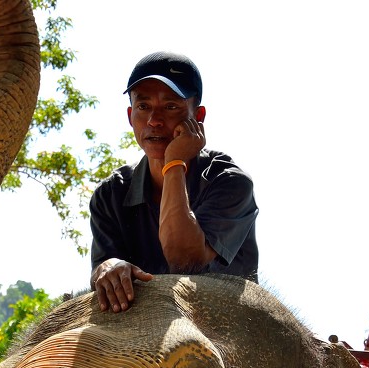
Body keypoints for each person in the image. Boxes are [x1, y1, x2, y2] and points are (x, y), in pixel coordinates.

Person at [89, 52, 259, 313]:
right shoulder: (110, 194)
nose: (154, 120)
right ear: (129, 115)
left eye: (170, 107)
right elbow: (102, 272)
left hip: (223, 322)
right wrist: (108, 267)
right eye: (143, 107)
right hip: (143, 326)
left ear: (198, 116)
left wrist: (174, 163)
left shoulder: (229, 183)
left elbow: (184, 261)